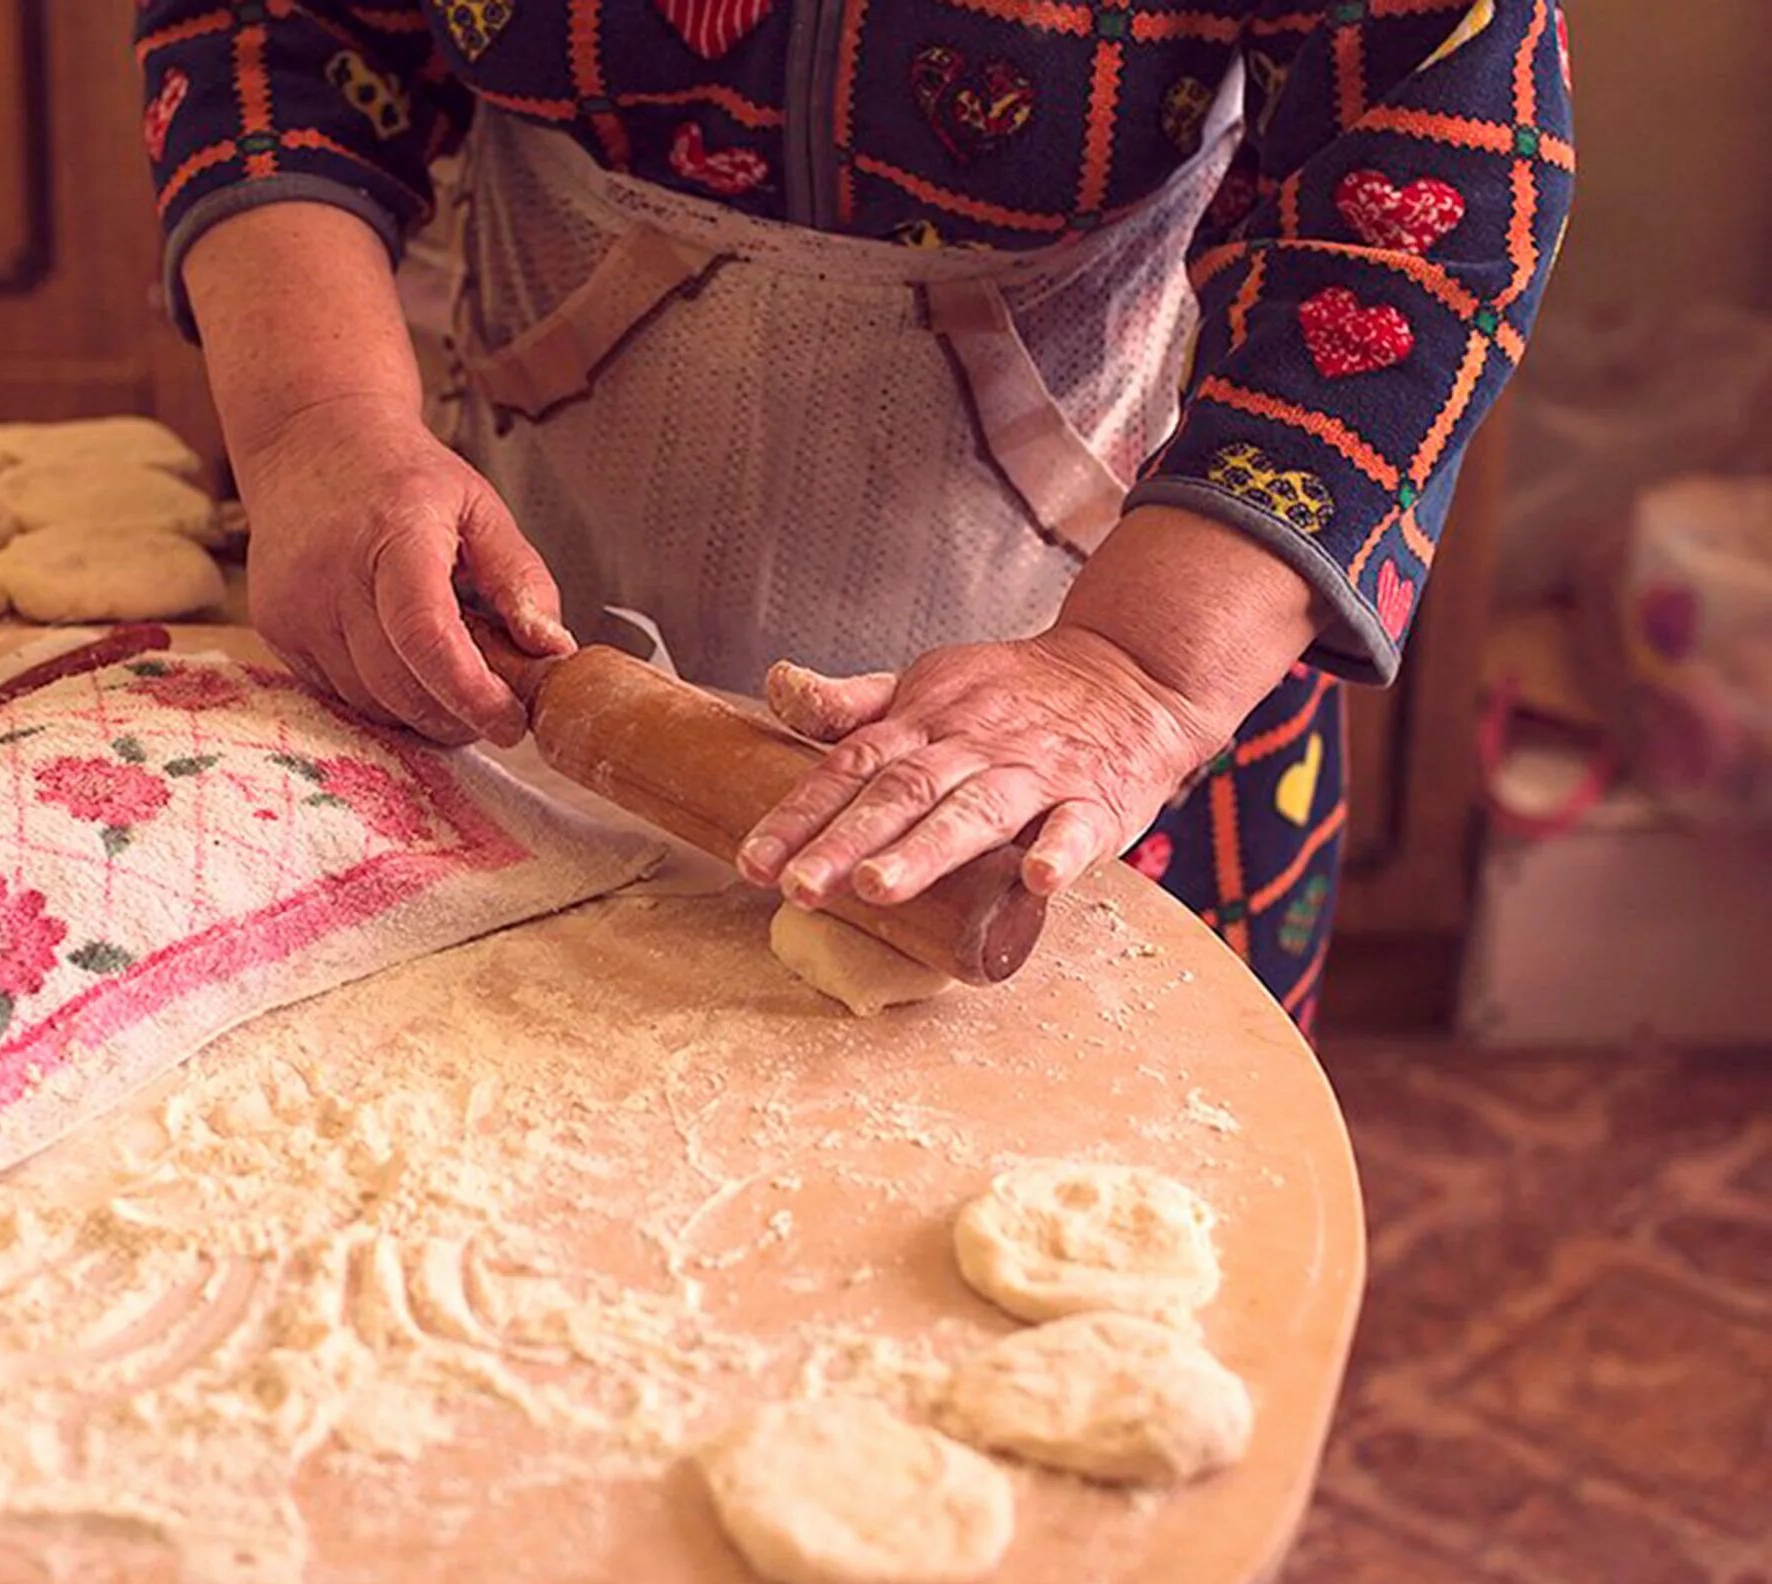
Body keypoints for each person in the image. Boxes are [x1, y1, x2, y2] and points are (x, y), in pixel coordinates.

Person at [133, 0, 1573, 1026]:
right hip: (526, 605)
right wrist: (320, 425)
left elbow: (1415, 195)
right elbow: (282, 29)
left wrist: (1135, 673)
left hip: (1124, 645)